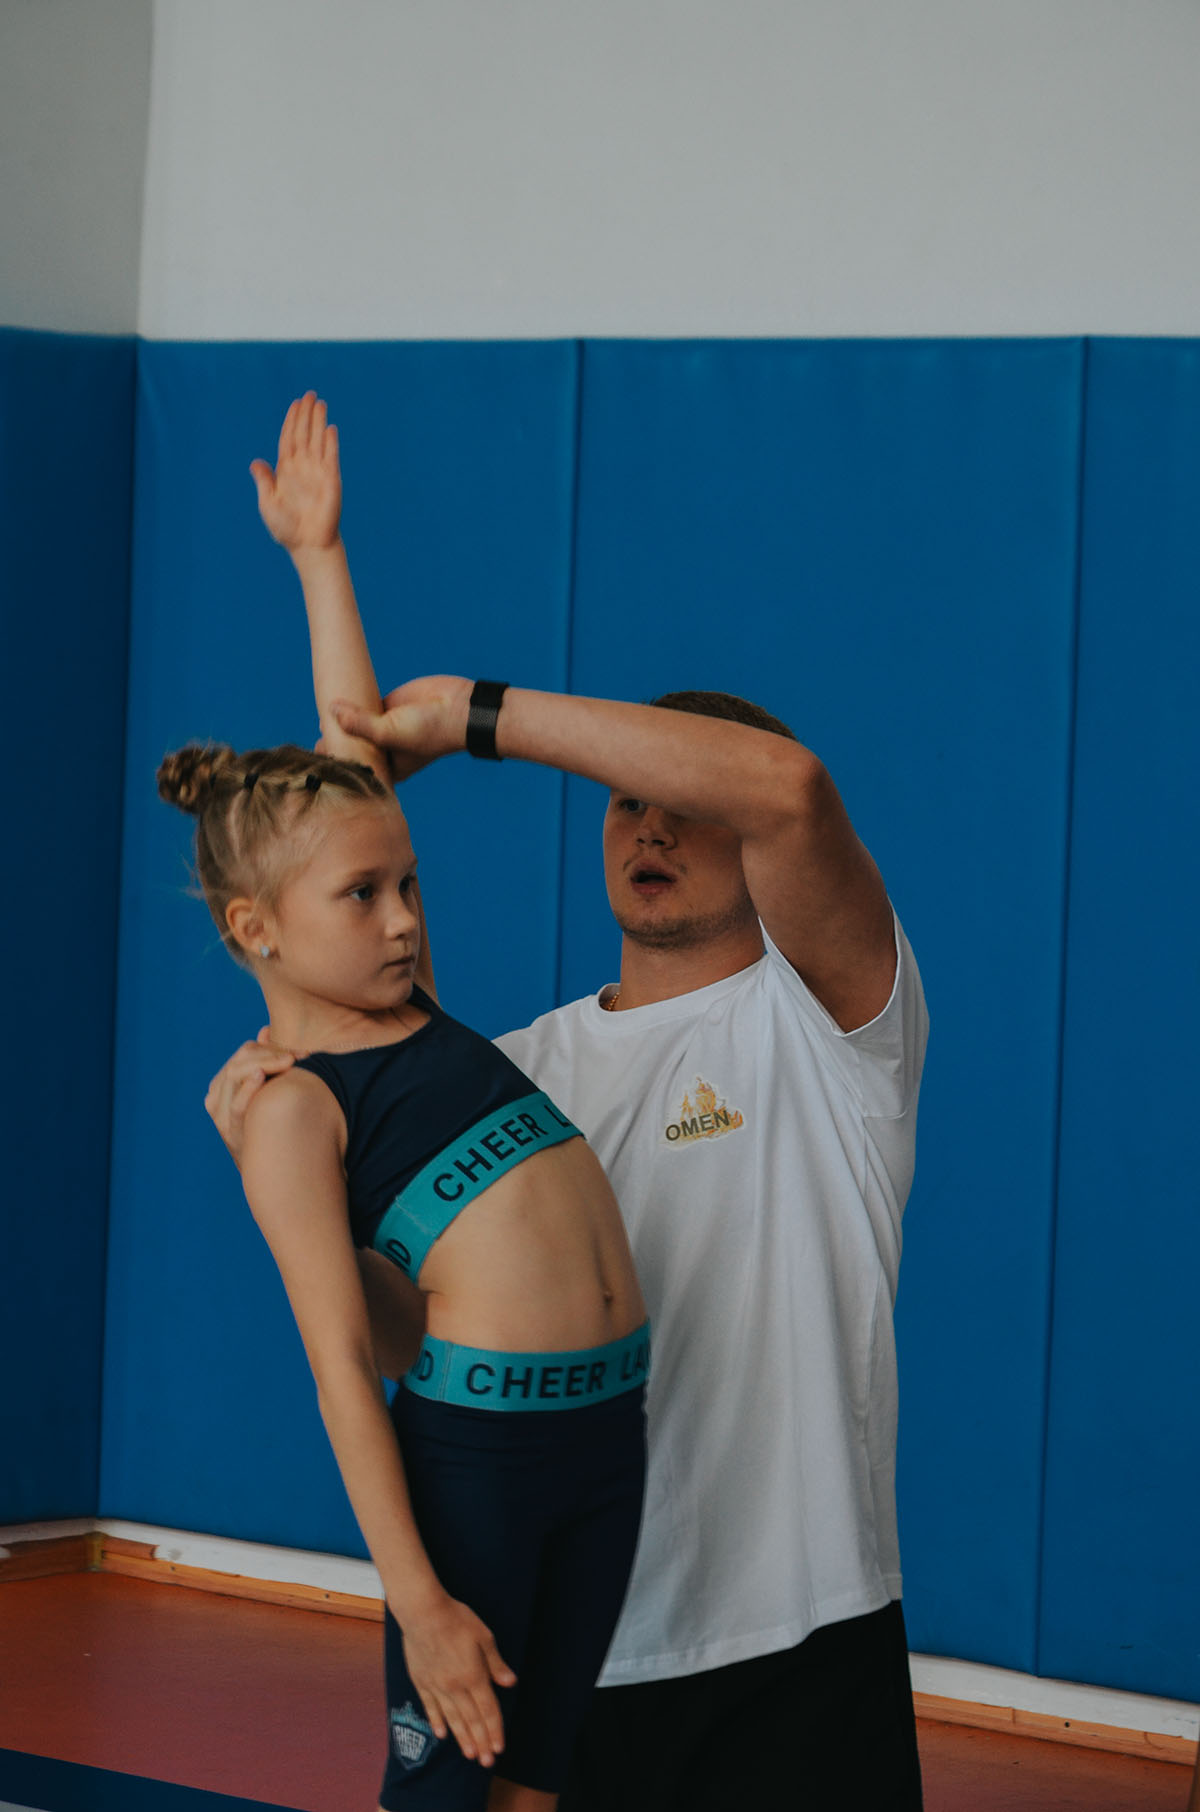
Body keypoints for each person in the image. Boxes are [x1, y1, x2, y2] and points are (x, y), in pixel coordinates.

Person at [209, 395, 929, 1810]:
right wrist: (298, 1200)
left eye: (680, 800)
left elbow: (788, 788)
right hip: (577, 1632)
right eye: (624, 804)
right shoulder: (514, 1075)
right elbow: (337, 843)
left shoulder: (836, 1026)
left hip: (801, 1640)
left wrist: (480, 717)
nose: (648, 824)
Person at [161, 399, 649, 1812]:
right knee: (451, 1796)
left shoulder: (412, 1007)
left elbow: (353, 755)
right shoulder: (292, 1112)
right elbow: (340, 1368)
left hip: (605, 1434)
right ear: (255, 929)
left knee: (539, 1790)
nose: (402, 919)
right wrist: (420, 1600)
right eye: (363, 897)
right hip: (481, 1460)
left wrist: (319, 557)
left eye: (410, 887)